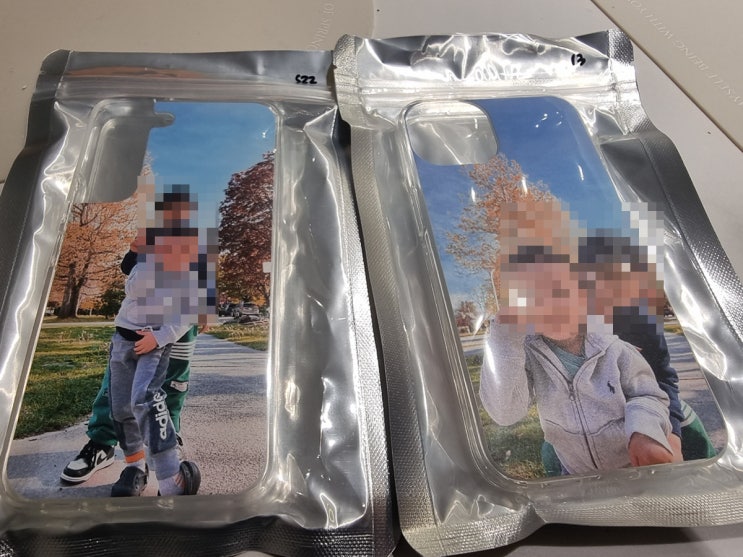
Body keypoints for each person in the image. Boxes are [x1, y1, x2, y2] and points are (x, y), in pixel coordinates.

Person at [480, 198, 674, 474]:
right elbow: (505, 413)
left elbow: (650, 393)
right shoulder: (528, 354)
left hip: (632, 467)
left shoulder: (614, 348)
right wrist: (504, 335)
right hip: (576, 474)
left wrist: (645, 432)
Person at [61, 197, 199, 486]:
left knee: (169, 384)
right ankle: (106, 443)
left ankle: (168, 446)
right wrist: (137, 250)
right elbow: (130, 273)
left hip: (171, 322)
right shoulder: (147, 247)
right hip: (132, 329)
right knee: (119, 391)